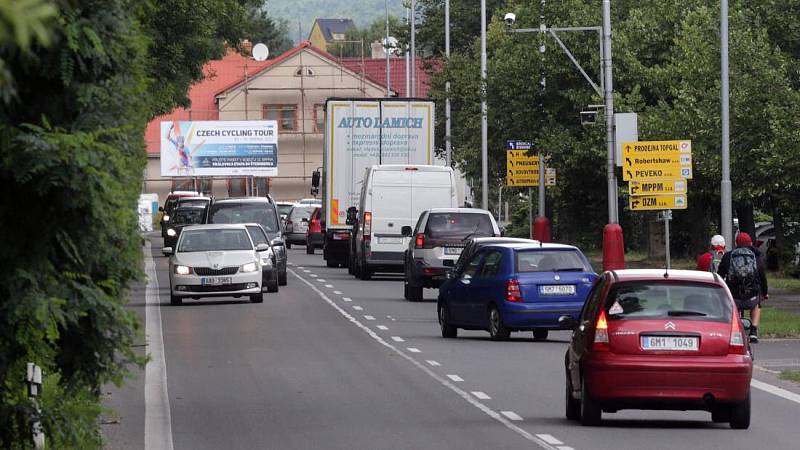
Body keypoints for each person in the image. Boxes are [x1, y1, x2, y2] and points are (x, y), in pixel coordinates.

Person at [717, 232, 769, 343]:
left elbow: (720, 274)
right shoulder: (756, 255)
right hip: (752, 295)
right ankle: (753, 331)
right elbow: (762, 276)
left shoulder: (728, 255)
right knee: (757, 304)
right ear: (750, 243)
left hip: (734, 294)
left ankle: (733, 331)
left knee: (732, 306)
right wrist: (765, 293)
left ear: (736, 243)